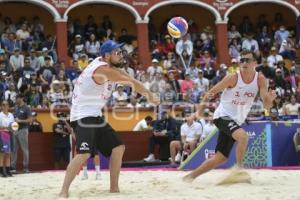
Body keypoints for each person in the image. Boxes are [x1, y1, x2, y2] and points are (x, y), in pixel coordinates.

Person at [59, 40, 159, 198]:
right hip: (82, 116)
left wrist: (149, 94)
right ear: (106, 56)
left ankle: (114, 189)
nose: (121, 55)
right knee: (84, 154)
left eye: (121, 52)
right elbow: (132, 83)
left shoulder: (112, 67)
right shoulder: (103, 70)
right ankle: (64, 191)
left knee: (118, 147)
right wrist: (150, 96)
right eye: (117, 53)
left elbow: (131, 80)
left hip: (94, 114)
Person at [183, 50, 276, 182]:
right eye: (242, 60)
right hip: (222, 116)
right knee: (243, 136)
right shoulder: (233, 78)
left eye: (247, 60)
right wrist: (198, 113)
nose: (244, 62)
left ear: (255, 63)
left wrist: (270, 101)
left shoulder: (260, 79)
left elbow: (266, 106)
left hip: (235, 120)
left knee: (220, 158)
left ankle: (190, 177)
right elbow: (211, 92)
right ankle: (238, 170)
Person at [11, 94, 32, 173]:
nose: (16, 100)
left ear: (21, 98)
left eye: (17, 98)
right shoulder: (15, 108)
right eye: (16, 98)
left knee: (25, 149)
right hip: (15, 130)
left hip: (23, 130)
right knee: (14, 149)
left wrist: (20, 121)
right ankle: (13, 167)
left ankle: (26, 167)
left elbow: (30, 120)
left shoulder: (27, 108)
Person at [0, 100, 15, 177]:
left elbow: (13, 125)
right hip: (3, 134)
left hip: (10, 133)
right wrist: (7, 127)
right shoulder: (0, 115)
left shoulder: (11, 115)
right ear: (1, 106)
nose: (4, 106)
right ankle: (2, 171)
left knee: (9, 152)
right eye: (3, 105)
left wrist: (13, 128)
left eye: (6, 104)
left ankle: (8, 170)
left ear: (8, 106)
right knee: (2, 153)